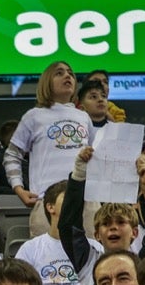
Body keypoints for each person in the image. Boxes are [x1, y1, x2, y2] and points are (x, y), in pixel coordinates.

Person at [59, 145, 145, 285]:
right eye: (106, 224)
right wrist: (79, 175)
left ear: (134, 232)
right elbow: (68, 227)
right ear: (97, 235)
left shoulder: (142, 264)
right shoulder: (87, 260)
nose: (113, 227)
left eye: (120, 223)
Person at [5, 62, 92, 236]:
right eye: (59, 73)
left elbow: (96, 157)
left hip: (86, 201)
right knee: (47, 262)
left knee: (91, 261)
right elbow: (12, 155)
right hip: (47, 202)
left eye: (70, 73)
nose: (67, 76)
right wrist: (18, 189)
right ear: (46, 82)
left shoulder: (84, 117)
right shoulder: (34, 116)